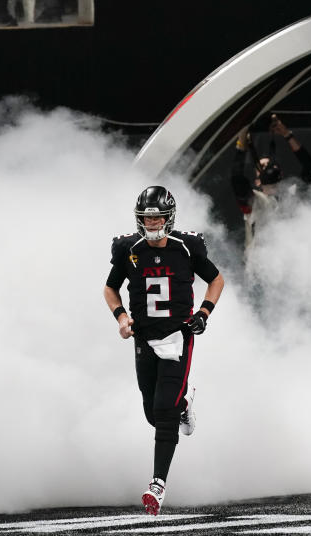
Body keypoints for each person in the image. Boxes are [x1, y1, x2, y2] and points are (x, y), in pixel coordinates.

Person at [103, 186, 225, 515]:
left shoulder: (187, 246)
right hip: (143, 337)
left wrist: (203, 313)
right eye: (147, 217)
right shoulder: (129, 248)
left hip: (177, 336)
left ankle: (157, 484)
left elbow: (216, 279)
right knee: (152, 413)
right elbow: (110, 287)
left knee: (163, 409)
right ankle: (184, 403)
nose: (152, 223)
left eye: (157, 217)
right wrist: (122, 317)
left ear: (169, 217)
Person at [230, 114, 311, 250]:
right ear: (258, 181)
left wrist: (287, 134)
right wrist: (241, 144)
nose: (268, 167)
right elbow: (237, 178)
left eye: (270, 165)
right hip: (260, 268)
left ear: (280, 173)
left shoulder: (292, 193)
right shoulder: (254, 200)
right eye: (262, 167)